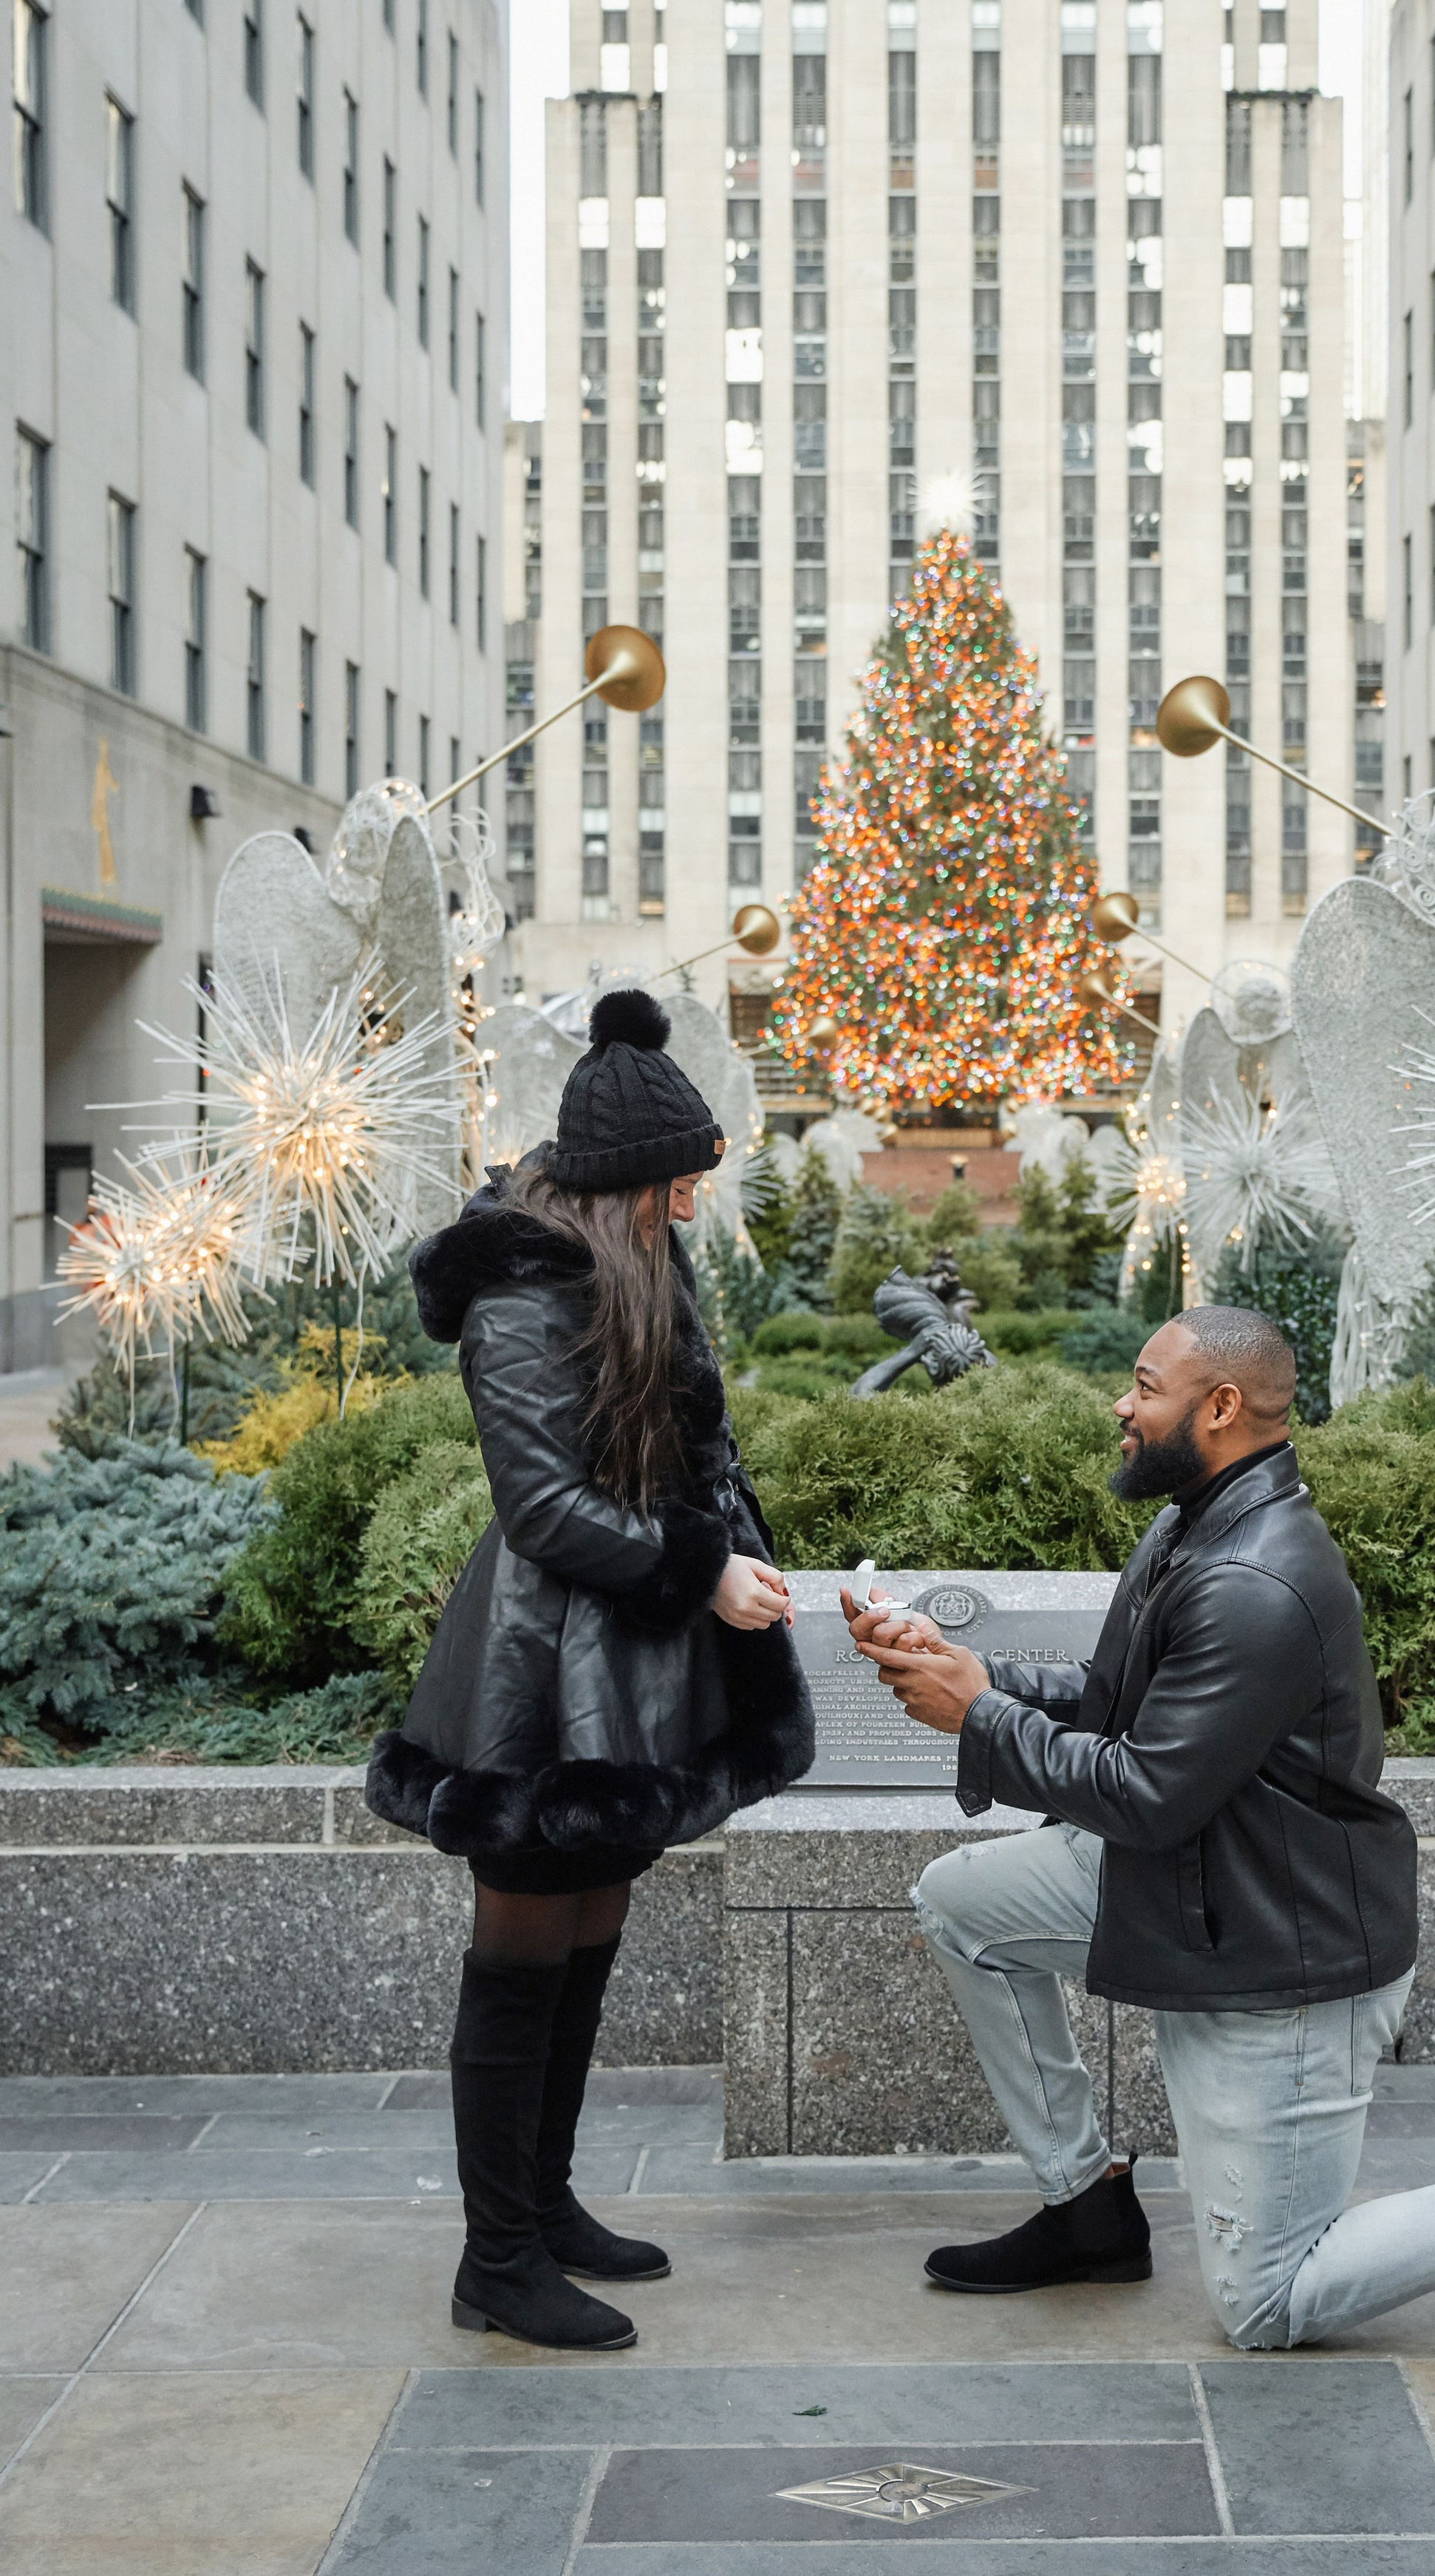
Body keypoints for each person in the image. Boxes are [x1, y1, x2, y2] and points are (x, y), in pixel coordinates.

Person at [845, 1304, 1435, 2354]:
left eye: (1146, 1386)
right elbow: (1116, 1702)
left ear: (1223, 1406)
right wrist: (968, 1671)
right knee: (961, 1904)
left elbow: (1148, 1790)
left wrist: (979, 1714)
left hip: (1279, 1953)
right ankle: (1087, 2207)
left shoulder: (1253, 1577)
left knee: (1267, 2302)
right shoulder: (1196, 1520)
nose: (1122, 1401)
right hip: (1197, 1883)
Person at [367, 988, 815, 2351]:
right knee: (523, 1940)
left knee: (593, 1920)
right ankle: (494, 2257)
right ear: (624, 1187)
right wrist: (704, 1569)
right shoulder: (518, 1294)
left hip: (630, 1652)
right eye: (677, 1184)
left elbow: (687, 1451)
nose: (690, 1207)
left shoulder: (641, 1261)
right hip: (538, 1661)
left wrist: (746, 1559)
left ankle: (545, 2205)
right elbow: (547, 1507)